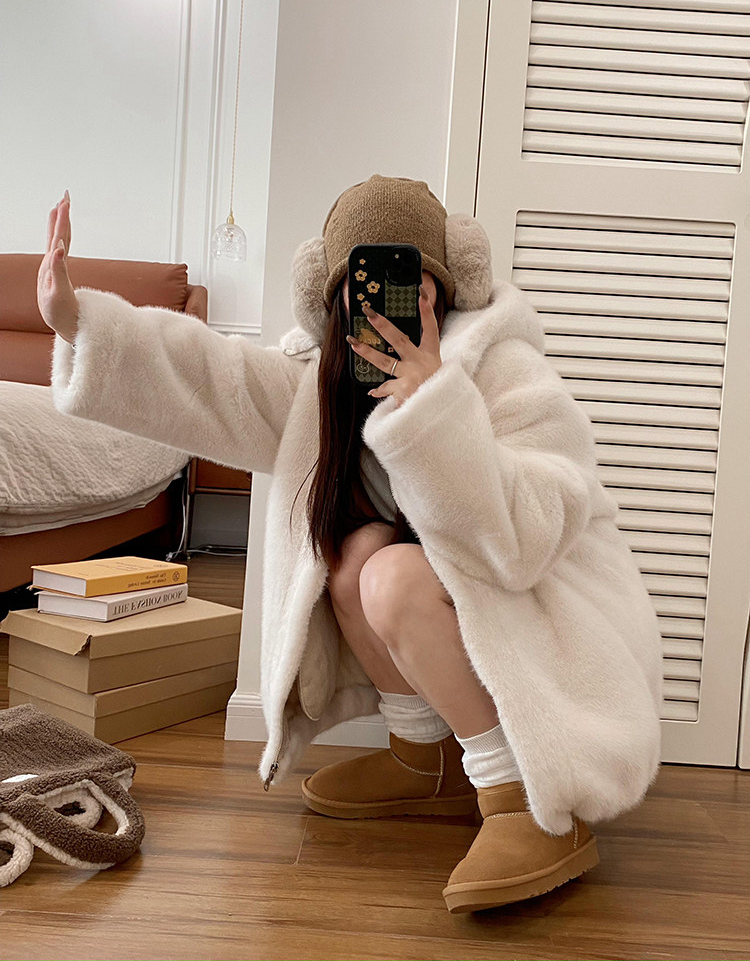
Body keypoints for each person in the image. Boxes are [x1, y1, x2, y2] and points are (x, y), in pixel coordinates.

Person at [39, 175, 663, 914]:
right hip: (468, 603)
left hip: (550, 615)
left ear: (446, 287)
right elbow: (211, 376)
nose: (386, 307)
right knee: (352, 556)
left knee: (390, 575)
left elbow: (523, 541)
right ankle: (423, 756)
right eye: (361, 287)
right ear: (332, 296)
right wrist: (76, 320)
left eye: (411, 284)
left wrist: (435, 403)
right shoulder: (324, 384)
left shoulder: (504, 368)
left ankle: (528, 800)